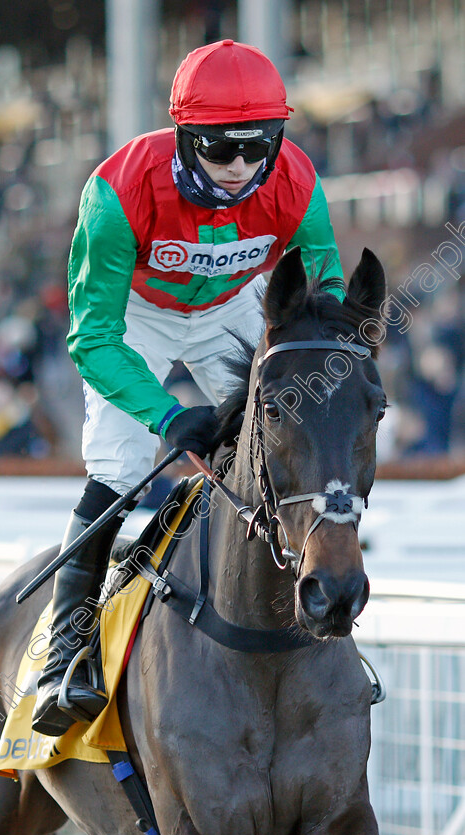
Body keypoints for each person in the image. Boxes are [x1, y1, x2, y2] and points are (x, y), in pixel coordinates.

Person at [32, 39, 346, 736]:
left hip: (233, 305)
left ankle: (301, 598)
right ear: (182, 137)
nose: (238, 169)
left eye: (254, 148)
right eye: (218, 150)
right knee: (116, 468)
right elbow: (92, 338)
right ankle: (64, 654)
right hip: (135, 318)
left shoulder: (296, 181)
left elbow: (325, 299)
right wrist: (168, 417)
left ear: (278, 137)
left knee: (286, 427)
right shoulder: (116, 192)